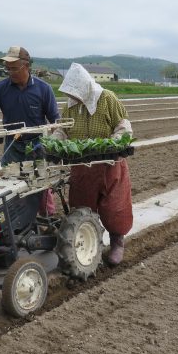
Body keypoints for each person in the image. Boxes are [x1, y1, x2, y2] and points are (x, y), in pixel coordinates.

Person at [52, 62, 133, 265]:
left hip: (108, 165)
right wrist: (54, 141)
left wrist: (114, 143)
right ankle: (89, 243)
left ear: (86, 88)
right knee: (81, 207)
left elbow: (123, 125)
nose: (74, 97)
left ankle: (117, 242)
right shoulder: (70, 106)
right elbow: (63, 130)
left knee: (115, 207)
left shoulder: (107, 99)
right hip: (82, 167)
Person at [0, 46, 60, 214]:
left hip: (37, 145)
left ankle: (47, 220)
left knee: (41, 185)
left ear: (26, 66)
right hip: (12, 145)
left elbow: (55, 119)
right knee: (12, 185)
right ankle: (21, 223)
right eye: (8, 69)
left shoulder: (43, 89)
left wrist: (54, 143)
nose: (10, 72)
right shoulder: (1, 88)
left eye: (14, 68)